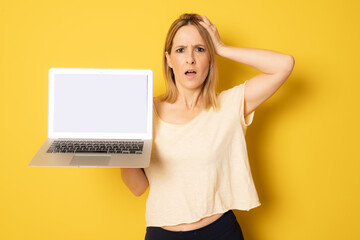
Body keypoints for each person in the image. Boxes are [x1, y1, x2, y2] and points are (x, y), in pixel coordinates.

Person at [121, 13, 295, 240]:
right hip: (162, 234)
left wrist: (221, 48)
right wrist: (120, 147)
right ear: (169, 60)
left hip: (219, 232)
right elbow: (137, 187)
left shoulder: (229, 105)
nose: (190, 59)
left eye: (200, 49)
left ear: (210, 59)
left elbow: (284, 65)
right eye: (181, 50)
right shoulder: (144, 111)